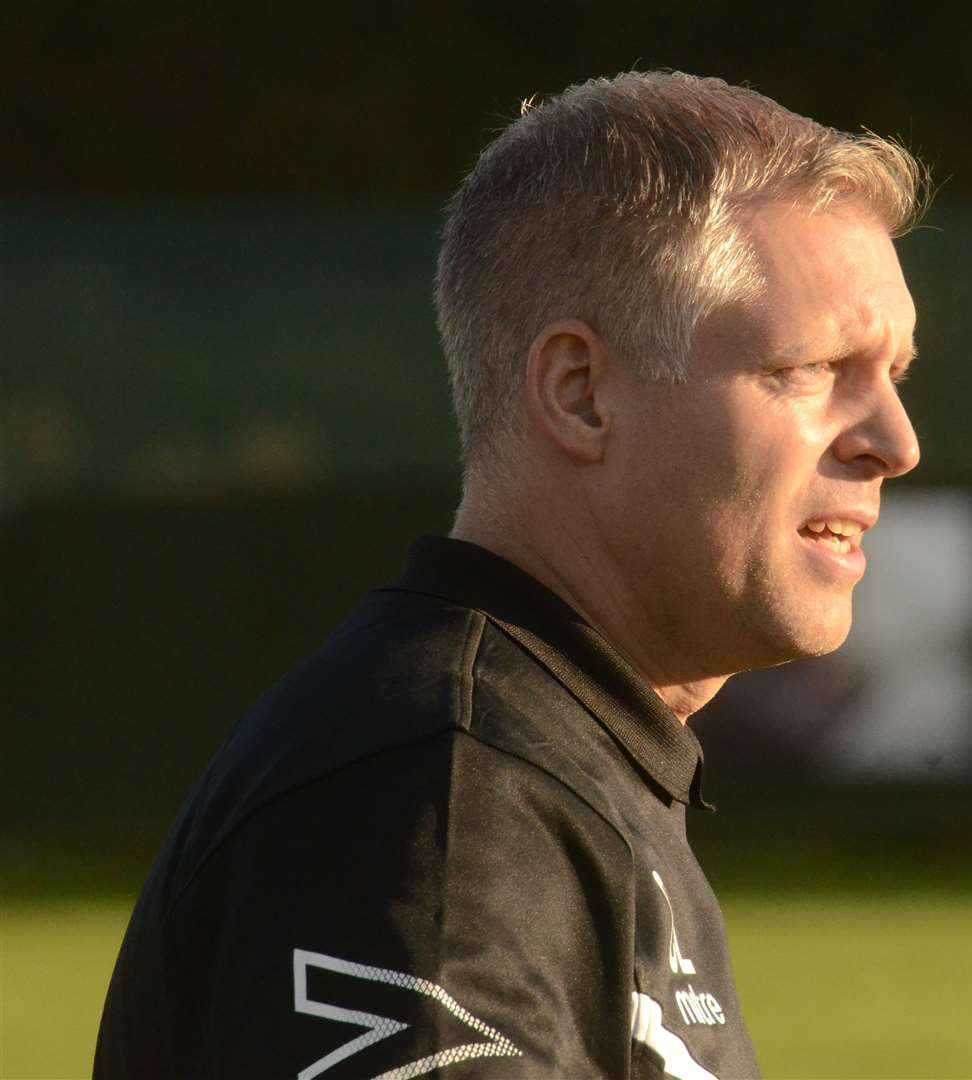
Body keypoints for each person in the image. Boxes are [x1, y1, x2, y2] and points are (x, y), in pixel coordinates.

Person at [95, 70, 927, 1079]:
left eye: (894, 376)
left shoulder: (552, 764)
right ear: (578, 394)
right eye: (809, 370)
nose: (893, 440)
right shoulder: (449, 805)